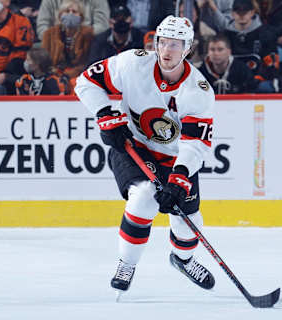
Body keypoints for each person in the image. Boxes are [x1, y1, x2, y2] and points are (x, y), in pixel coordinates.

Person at [75, 15, 215, 295]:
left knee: (189, 222)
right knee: (143, 199)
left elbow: (194, 144)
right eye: (162, 42)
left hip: (175, 159)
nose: (166, 50)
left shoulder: (198, 91)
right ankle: (126, 263)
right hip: (133, 148)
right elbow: (86, 82)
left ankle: (183, 259)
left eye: (175, 45)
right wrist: (104, 114)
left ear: (187, 49)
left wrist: (179, 179)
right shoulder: (132, 63)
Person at [41, 0, 93, 87]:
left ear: (81, 16)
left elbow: (87, 63)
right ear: (60, 15)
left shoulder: (88, 35)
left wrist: (68, 75)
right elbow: (44, 60)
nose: (70, 14)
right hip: (54, 74)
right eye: (67, 11)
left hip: (79, 75)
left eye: (74, 12)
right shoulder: (49, 34)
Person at [36, 0, 110, 40]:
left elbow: (102, 25)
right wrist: (57, 38)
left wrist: (80, 36)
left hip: (88, 43)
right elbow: (42, 27)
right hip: (55, 41)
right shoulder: (49, 1)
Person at [178, 0, 216, 67]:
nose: (185, 15)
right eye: (182, 12)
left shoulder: (207, 33)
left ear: (197, 14)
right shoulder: (174, 32)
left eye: (190, 11)